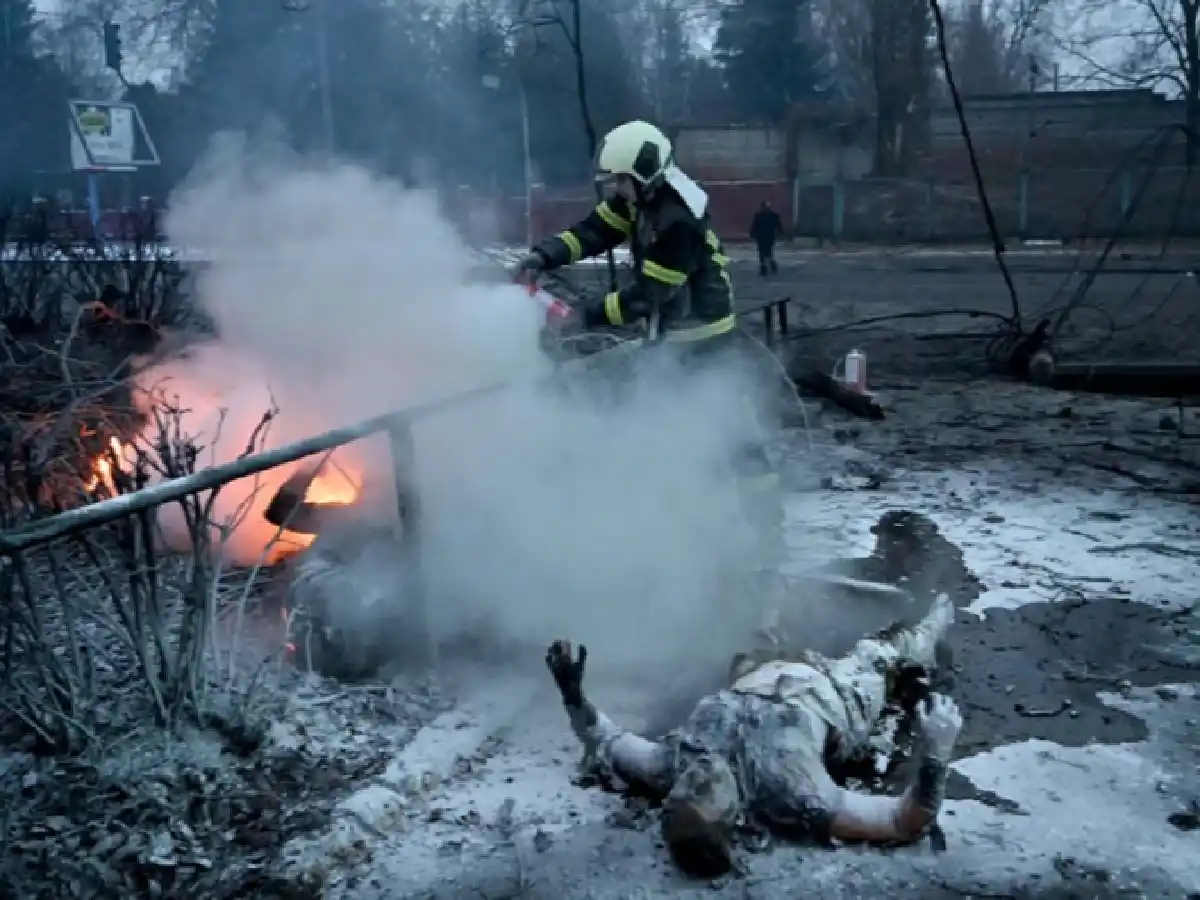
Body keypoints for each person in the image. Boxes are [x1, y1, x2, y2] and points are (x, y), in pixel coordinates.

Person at [513, 119, 783, 571]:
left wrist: (583, 315)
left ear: (641, 175)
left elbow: (646, 298)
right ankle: (679, 531)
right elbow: (594, 231)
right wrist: (544, 256)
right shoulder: (643, 200)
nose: (614, 190)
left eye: (619, 180)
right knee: (658, 428)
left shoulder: (677, 222)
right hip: (670, 340)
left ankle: (766, 538)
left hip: (706, 343)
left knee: (730, 440)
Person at [544, 589, 961, 876]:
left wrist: (572, 695)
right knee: (887, 652)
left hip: (755, 674)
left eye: (684, 791)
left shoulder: (670, 764)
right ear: (732, 814)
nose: (694, 778)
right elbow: (900, 821)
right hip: (832, 691)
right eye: (704, 792)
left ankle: (774, 603)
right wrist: (936, 757)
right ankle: (941, 617)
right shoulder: (793, 792)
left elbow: (604, 737)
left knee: (758, 634)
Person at [749, 200, 784, 276]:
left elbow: (778, 225)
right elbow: (754, 225)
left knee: (768, 251)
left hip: (770, 237)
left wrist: (781, 232)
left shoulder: (774, 216)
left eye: (767, 207)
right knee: (761, 252)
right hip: (760, 237)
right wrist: (752, 233)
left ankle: (771, 263)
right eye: (764, 207)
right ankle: (764, 267)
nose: (766, 208)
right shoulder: (758, 216)